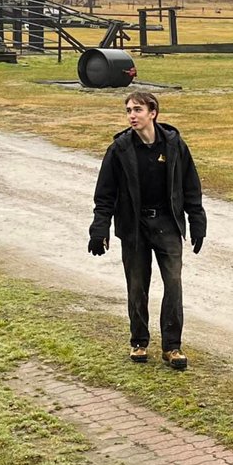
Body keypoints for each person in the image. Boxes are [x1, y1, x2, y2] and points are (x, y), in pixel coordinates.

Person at [88, 91, 206, 370]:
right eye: (129, 110)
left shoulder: (174, 145)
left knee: (173, 284)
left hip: (166, 224)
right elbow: (105, 193)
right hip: (134, 226)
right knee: (137, 286)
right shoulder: (120, 149)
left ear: (153, 113)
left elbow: (191, 186)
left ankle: (172, 347)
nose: (132, 115)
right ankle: (139, 341)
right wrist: (99, 227)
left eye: (138, 110)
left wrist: (197, 220)